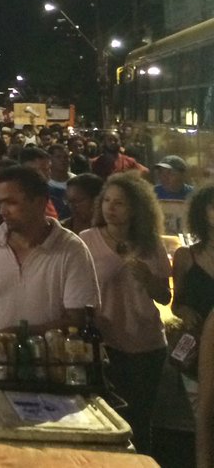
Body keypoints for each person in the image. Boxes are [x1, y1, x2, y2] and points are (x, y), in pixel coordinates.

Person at [79, 173, 170, 454]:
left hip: (147, 343)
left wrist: (148, 278)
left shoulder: (151, 243)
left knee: (140, 420)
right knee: (104, 420)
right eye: (106, 200)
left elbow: (164, 296)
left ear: (136, 208)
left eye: (119, 203)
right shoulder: (86, 240)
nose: (110, 208)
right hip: (105, 343)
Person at [0, 165, 100, 334]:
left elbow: (78, 319)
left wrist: (18, 335)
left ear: (39, 203)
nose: (2, 211)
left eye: (11, 202)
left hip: (50, 359)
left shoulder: (72, 249)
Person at [171, 184, 214, 340]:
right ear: (201, 213)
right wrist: (185, 311)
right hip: (196, 340)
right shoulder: (185, 256)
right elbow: (175, 304)